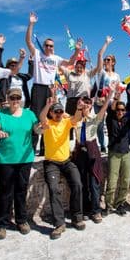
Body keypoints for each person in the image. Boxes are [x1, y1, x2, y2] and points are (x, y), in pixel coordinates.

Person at [0, 87, 41, 240]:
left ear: (21, 99)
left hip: (25, 159)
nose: (15, 101)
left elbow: (37, 129)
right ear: (8, 99)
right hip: (5, 160)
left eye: (18, 98)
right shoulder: (1, 113)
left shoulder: (29, 114)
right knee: (5, 192)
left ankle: (21, 220)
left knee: (21, 190)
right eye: (12, 98)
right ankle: (1, 224)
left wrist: (41, 128)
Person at [25, 12, 80, 154]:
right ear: (44, 46)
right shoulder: (38, 54)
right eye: (47, 45)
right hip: (38, 88)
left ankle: (44, 148)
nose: (49, 48)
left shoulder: (56, 58)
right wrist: (31, 24)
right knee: (37, 117)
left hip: (51, 89)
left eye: (51, 46)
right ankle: (32, 147)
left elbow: (71, 62)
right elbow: (28, 41)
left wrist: (77, 50)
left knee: (49, 116)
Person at [40, 94, 85, 239]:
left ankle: (77, 217)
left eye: (60, 111)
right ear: (51, 113)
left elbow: (76, 119)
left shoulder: (66, 122)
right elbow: (41, 117)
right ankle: (59, 223)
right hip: (51, 163)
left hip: (66, 161)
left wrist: (78, 108)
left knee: (77, 184)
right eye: (56, 112)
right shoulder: (47, 123)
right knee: (54, 189)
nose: (59, 114)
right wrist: (47, 105)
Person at [72, 88, 115, 223]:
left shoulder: (94, 119)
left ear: (91, 105)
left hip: (92, 152)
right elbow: (72, 121)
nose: (86, 104)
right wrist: (79, 108)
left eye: (88, 103)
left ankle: (96, 211)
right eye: (84, 102)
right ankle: (85, 209)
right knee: (82, 183)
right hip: (80, 152)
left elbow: (102, 111)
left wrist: (109, 97)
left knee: (94, 182)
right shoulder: (77, 119)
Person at [62, 36, 112, 115]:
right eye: (77, 67)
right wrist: (77, 50)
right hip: (70, 102)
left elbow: (99, 66)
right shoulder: (69, 73)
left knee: (82, 125)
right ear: (74, 67)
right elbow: (59, 64)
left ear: (84, 68)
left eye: (81, 67)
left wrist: (106, 44)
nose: (79, 69)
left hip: (83, 102)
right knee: (70, 124)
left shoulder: (88, 74)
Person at [105, 93, 130, 216]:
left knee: (126, 180)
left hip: (126, 154)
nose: (120, 112)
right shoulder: (110, 120)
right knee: (112, 181)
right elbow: (111, 109)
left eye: (122, 110)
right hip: (114, 154)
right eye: (118, 110)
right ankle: (108, 205)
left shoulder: (127, 121)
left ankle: (120, 204)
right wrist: (116, 97)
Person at [0, 33, 33, 109]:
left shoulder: (21, 77)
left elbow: (30, 75)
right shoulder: (4, 75)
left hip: (22, 105)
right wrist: (0, 45)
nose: (14, 67)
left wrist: (30, 62)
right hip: (7, 104)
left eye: (15, 65)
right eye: (11, 65)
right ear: (7, 66)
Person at [93, 54, 121, 152]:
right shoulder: (101, 72)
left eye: (108, 60)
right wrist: (106, 43)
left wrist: (118, 102)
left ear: (113, 62)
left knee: (111, 123)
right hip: (99, 102)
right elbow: (99, 56)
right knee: (99, 124)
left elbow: (118, 90)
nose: (106, 61)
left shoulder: (117, 76)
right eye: (105, 60)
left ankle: (111, 144)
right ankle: (102, 145)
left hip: (111, 102)